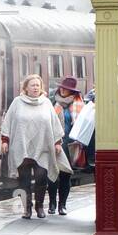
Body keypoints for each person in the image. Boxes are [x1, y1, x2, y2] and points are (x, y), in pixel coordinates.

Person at [1, 74, 65, 219]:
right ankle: (27, 208)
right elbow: (8, 122)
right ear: (26, 88)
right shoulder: (17, 102)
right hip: (21, 146)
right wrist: (5, 140)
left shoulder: (46, 103)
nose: (35, 88)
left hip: (42, 147)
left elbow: (54, 124)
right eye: (32, 85)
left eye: (37, 85)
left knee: (41, 178)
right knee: (23, 181)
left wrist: (57, 142)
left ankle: (40, 206)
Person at [47, 77, 84, 215]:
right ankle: (52, 204)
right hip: (53, 143)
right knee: (52, 175)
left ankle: (62, 205)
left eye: (66, 88)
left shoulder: (79, 105)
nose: (62, 89)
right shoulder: (52, 103)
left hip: (70, 144)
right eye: (61, 87)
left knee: (65, 175)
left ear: (72, 91)